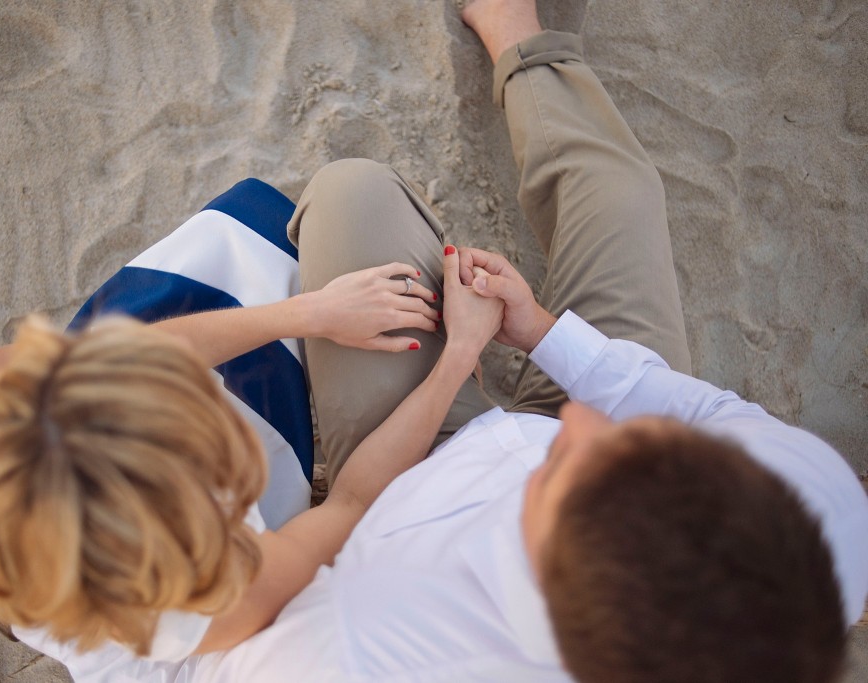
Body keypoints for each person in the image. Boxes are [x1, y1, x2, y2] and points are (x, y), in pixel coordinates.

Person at [170, 1, 868, 682]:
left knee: (353, 193)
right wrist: (539, 330)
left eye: (568, 465)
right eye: (640, 441)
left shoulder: (369, 636)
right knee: (623, 195)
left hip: (408, 470)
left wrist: (457, 358)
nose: (587, 421)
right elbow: (707, 414)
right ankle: (515, 32)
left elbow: (349, 508)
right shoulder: (818, 507)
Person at [0, 247, 503, 679]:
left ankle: (22, 610)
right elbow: (351, 501)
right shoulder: (225, 599)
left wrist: (309, 314)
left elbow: (126, 359)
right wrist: (457, 358)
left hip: (66, 571)